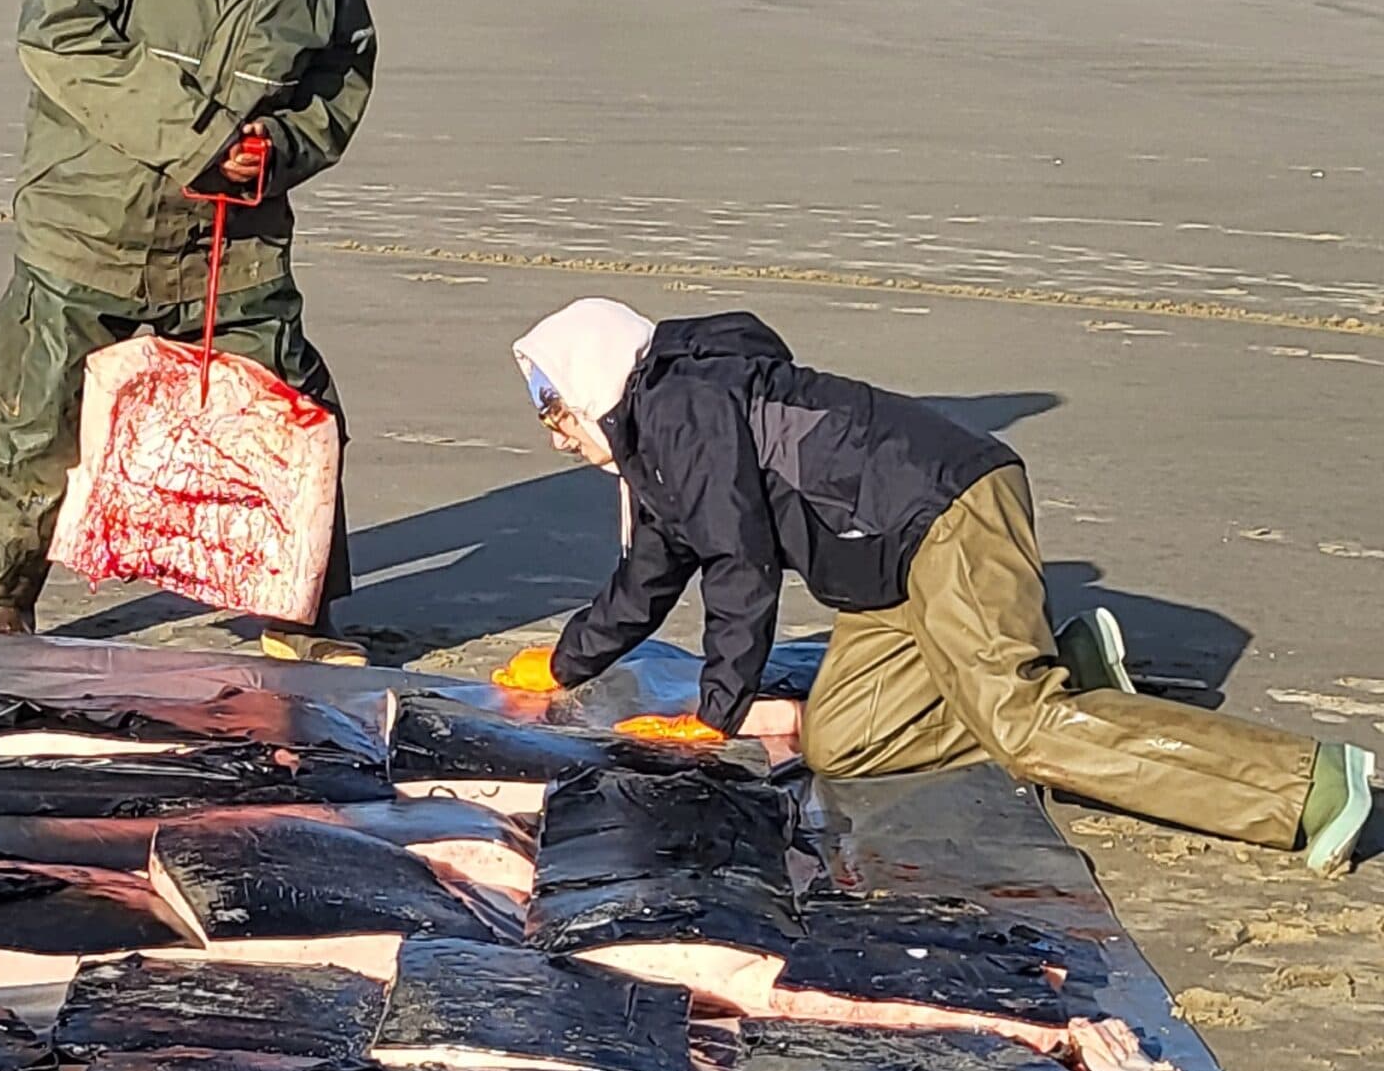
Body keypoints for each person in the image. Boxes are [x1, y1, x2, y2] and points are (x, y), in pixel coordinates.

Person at [509, 297, 1374, 878]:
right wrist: (564, 663)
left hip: (946, 513)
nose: (556, 436)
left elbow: (741, 564)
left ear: (591, 381)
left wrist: (715, 710)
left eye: (554, 412)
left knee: (1022, 725)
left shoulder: (680, 408)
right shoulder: (656, 445)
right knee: (844, 742)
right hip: (887, 572)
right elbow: (651, 572)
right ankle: (1059, 660)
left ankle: (1307, 786)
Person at [0, 0, 378, 662]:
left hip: (235, 238)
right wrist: (198, 138)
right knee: (29, 413)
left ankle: (298, 613)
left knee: (290, 409)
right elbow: (55, 36)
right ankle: (2, 604)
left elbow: (343, 74)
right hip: (88, 219)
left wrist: (278, 151)